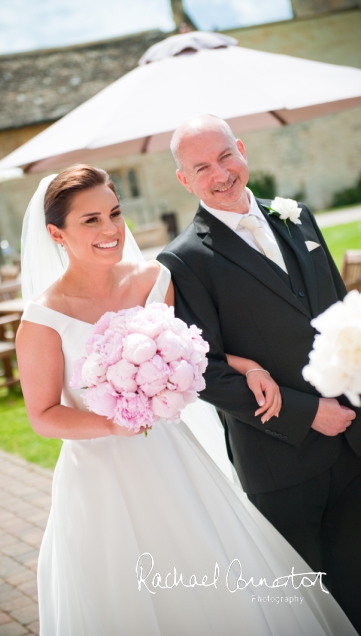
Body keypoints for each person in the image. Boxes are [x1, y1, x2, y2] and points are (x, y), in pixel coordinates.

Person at [15, 163, 355, 634]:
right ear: (56, 233)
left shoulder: (154, 279)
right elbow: (43, 416)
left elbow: (192, 354)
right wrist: (114, 425)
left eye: (114, 213)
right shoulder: (42, 320)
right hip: (101, 478)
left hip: (173, 456)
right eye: (90, 220)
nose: (111, 229)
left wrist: (248, 366)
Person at [157, 114, 361, 630]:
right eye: (202, 167)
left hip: (354, 442)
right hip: (281, 462)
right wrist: (306, 413)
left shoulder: (298, 216)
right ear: (185, 180)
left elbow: (338, 312)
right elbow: (204, 372)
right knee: (309, 608)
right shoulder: (182, 261)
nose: (220, 173)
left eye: (226, 156)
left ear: (242, 150)